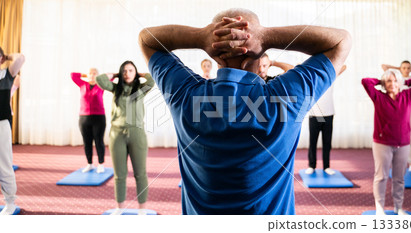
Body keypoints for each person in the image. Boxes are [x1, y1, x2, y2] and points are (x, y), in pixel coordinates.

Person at [139, 8, 351, 214]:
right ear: (258, 53)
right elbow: (341, 41)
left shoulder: (186, 94)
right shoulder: (286, 97)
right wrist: (267, 37)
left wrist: (200, 37)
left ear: (214, 54)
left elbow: (147, 39)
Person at [362, 70, 411, 215]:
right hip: (382, 143)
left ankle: (398, 207)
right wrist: (381, 81)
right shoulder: (378, 97)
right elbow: (365, 81)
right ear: (385, 84)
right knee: (381, 176)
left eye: (395, 81)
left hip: (403, 144)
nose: (392, 84)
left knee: (399, 178)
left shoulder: (408, 96)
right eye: (389, 81)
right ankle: (380, 208)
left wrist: (405, 80)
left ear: (400, 83)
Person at [96, 61, 155, 215]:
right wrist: (115, 74)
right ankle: (119, 208)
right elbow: (100, 80)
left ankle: (142, 210)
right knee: (119, 175)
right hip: (117, 135)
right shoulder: (116, 89)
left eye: (130, 70)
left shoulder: (141, 90)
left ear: (135, 73)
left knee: (140, 173)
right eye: (125, 71)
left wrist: (140, 74)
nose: (127, 73)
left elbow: (151, 80)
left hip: (137, 135)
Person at [305, 65, 346, 175]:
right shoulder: (312, 79)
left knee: (327, 142)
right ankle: (311, 165)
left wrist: (331, 70)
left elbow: (344, 66)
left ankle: (326, 166)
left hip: (328, 114)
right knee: (312, 142)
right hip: (314, 115)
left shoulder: (330, 78)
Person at [0, 47, 25, 215]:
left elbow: (21, 58)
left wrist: (6, 56)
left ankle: (10, 202)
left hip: (1, 123)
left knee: (4, 164)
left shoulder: (6, 75)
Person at [71, 68, 106, 173]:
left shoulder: (101, 85)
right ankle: (89, 163)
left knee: (99, 141)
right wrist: (86, 75)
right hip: (84, 118)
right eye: (90, 73)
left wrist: (98, 78)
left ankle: (100, 164)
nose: (92, 75)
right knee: (87, 142)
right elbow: (73, 74)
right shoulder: (82, 84)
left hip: (99, 117)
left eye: (94, 74)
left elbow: (111, 79)